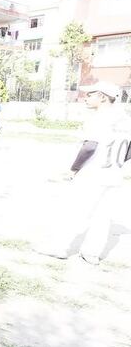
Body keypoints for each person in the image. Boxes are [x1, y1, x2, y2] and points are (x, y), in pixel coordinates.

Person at [38, 81, 131, 264]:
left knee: (75, 210)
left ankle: (59, 247)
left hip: (93, 173)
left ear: (103, 97)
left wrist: (74, 169)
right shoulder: (125, 118)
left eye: (90, 94)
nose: (86, 97)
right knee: (103, 216)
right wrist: (117, 163)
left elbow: (89, 146)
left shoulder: (100, 117)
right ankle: (92, 253)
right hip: (114, 174)